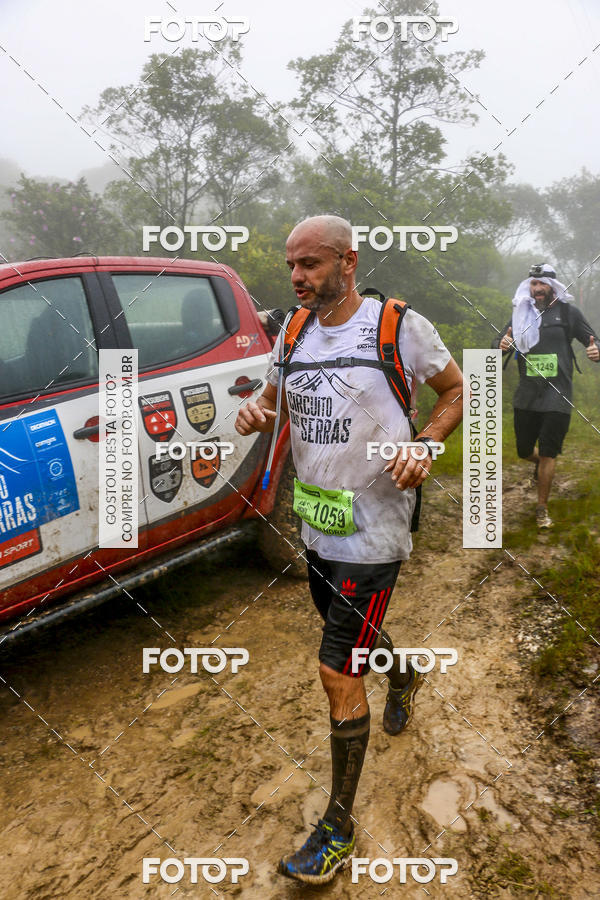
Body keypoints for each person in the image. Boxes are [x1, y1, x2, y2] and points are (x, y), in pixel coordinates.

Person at [235, 215, 463, 884]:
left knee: (337, 669)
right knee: (354, 636)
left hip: (376, 528)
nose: (299, 278)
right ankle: (404, 673)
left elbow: (456, 391)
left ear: (347, 261)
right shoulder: (293, 331)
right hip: (318, 517)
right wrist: (255, 409)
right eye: (292, 267)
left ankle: (337, 828)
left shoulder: (400, 327)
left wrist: (425, 444)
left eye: (311, 264)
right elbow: (272, 396)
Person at [496, 263, 599, 529]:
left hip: (558, 393)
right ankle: (539, 464)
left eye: (542, 284)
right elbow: (499, 343)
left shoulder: (567, 313)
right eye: (533, 283)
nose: (537, 289)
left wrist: (596, 349)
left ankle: (542, 507)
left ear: (552, 286)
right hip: (527, 394)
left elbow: (593, 340)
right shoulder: (520, 314)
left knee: (549, 451)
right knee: (523, 450)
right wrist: (502, 344)